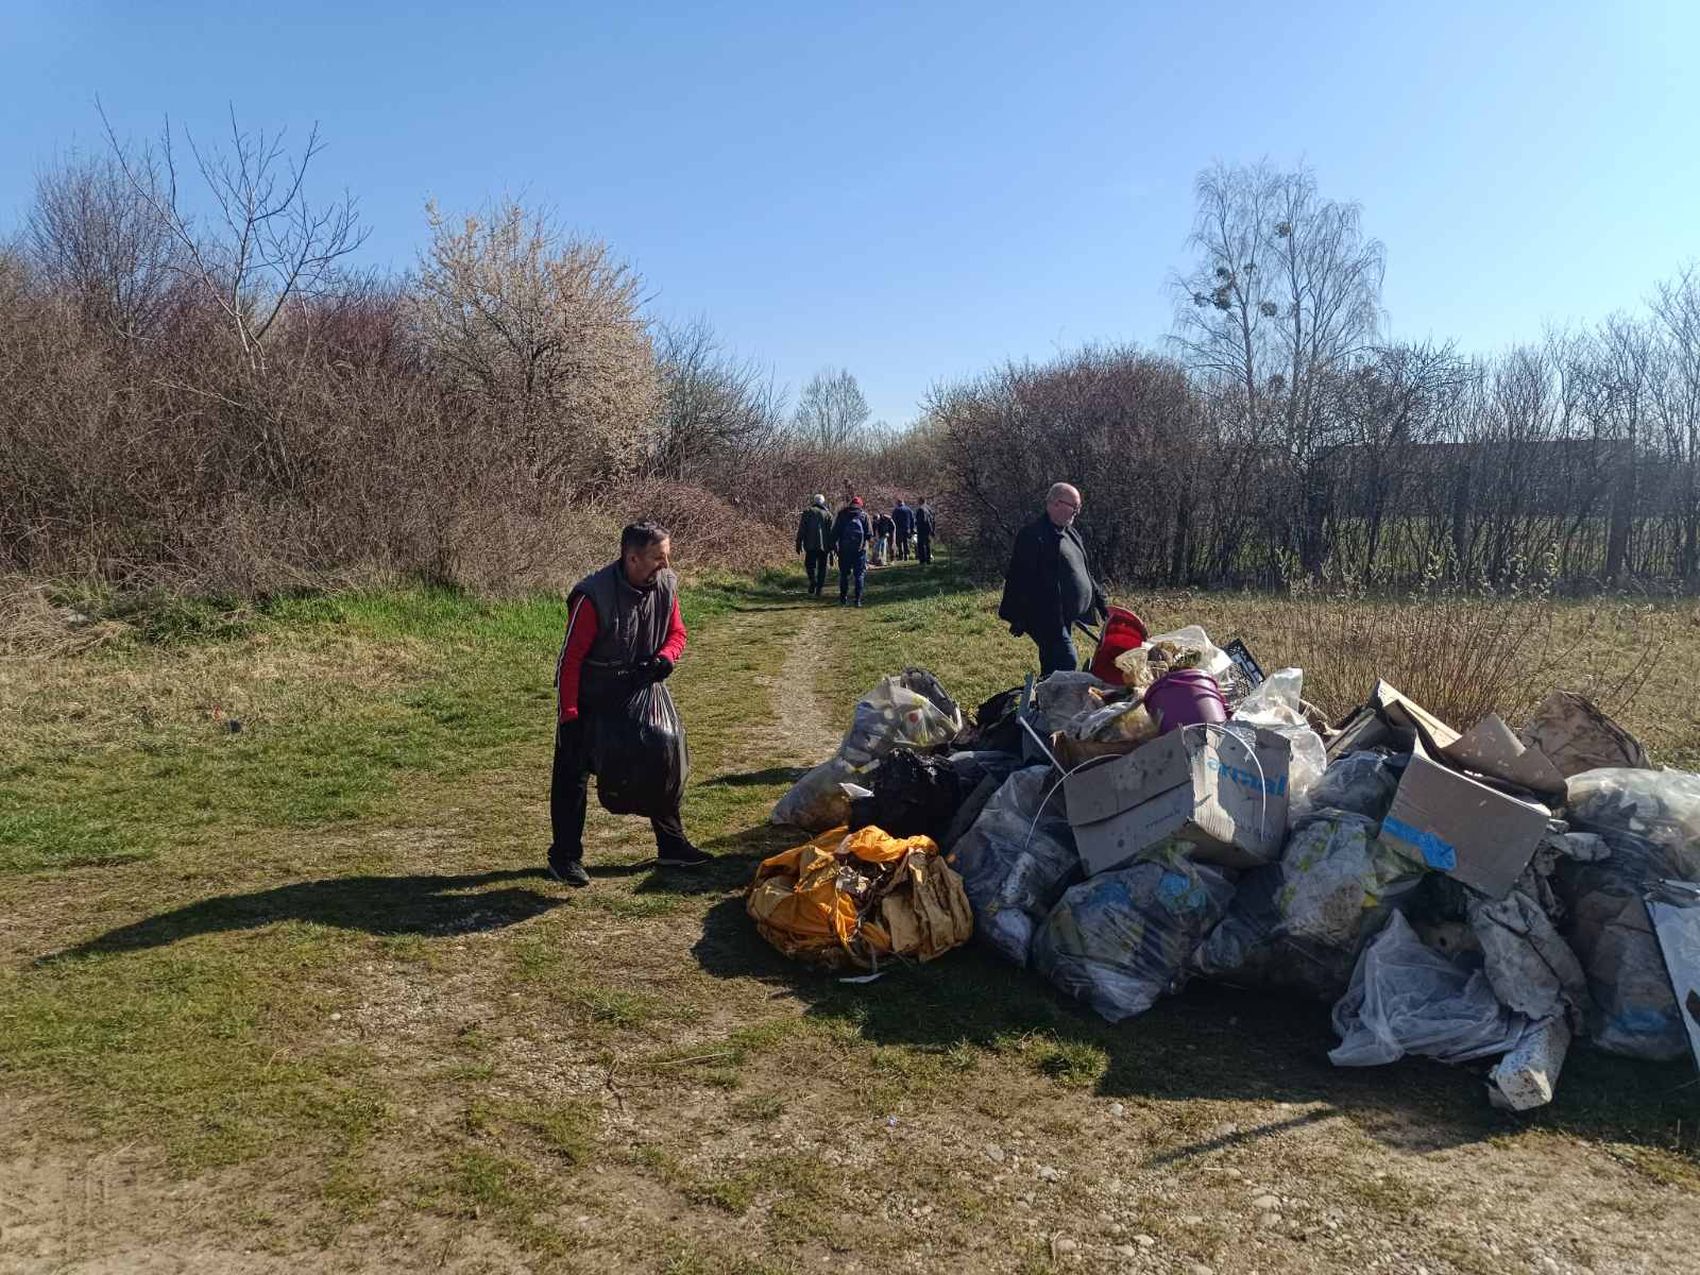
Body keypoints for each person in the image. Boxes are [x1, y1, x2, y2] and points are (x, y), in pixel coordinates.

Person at [548, 520, 710, 886]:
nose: (666, 565)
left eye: (666, 556)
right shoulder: (593, 597)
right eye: (658, 557)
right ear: (632, 558)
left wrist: (666, 658)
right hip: (593, 696)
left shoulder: (666, 585)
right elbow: (570, 661)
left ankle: (672, 846)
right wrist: (569, 717)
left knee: (663, 756)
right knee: (573, 771)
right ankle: (565, 856)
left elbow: (677, 632)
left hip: (642, 687)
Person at [997, 482, 1108, 678]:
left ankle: (1046, 699)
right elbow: (1019, 578)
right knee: (1065, 659)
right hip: (1044, 616)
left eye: (1078, 507)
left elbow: (1085, 571)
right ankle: (1053, 702)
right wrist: (1020, 617)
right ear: (1055, 503)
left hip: (1064, 616)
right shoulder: (1033, 536)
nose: (1077, 511)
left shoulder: (1071, 533)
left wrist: (1101, 603)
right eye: (1073, 506)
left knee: (1054, 665)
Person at [832, 496, 874, 607]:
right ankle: (857, 600)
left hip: (844, 550)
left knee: (844, 575)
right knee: (859, 575)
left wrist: (834, 547)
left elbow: (835, 533)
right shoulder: (864, 516)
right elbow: (869, 535)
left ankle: (843, 599)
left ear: (850, 504)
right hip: (860, 551)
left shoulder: (842, 514)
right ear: (861, 505)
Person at [795, 494, 832, 596]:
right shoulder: (828, 514)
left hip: (810, 545)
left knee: (809, 565)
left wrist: (798, 542)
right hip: (824, 546)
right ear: (823, 502)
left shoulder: (807, 512)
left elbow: (802, 529)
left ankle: (813, 581)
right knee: (822, 567)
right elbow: (831, 532)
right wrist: (833, 547)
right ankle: (819, 588)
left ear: (814, 501)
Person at [914, 498, 934, 565]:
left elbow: (921, 520)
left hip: (922, 529)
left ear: (920, 501)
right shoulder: (929, 509)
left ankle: (922, 560)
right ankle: (928, 559)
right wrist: (932, 529)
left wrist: (916, 526)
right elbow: (933, 520)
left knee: (921, 545)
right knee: (927, 544)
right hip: (928, 529)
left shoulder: (920, 509)